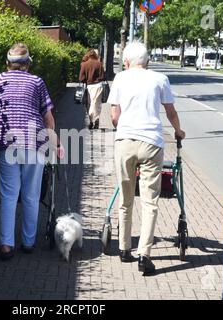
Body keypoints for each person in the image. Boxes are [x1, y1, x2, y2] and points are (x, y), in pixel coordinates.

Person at [107, 42, 185, 275]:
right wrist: (178, 131)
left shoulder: (120, 78)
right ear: (147, 61)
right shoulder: (160, 79)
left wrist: (123, 128)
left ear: (127, 61)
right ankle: (145, 255)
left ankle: (124, 249)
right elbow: (170, 112)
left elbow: (113, 115)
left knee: (126, 197)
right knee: (150, 201)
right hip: (152, 143)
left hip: (125, 142)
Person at [0, 43, 61, 261]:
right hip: (34, 143)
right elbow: (47, 117)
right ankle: (28, 242)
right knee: (31, 194)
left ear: (7, 63)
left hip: (6, 143)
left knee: (8, 195)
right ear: (28, 64)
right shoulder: (37, 81)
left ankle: (6, 245)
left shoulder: (0, 79)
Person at [79, 49, 106, 130]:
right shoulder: (99, 64)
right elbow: (103, 77)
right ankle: (96, 120)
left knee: (89, 104)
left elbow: (81, 78)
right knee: (97, 104)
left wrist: (87, 80)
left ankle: (91, 121)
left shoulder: (84, 64)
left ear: (88, 55)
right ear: (95, 55)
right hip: (98, 86)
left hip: (89, 86)